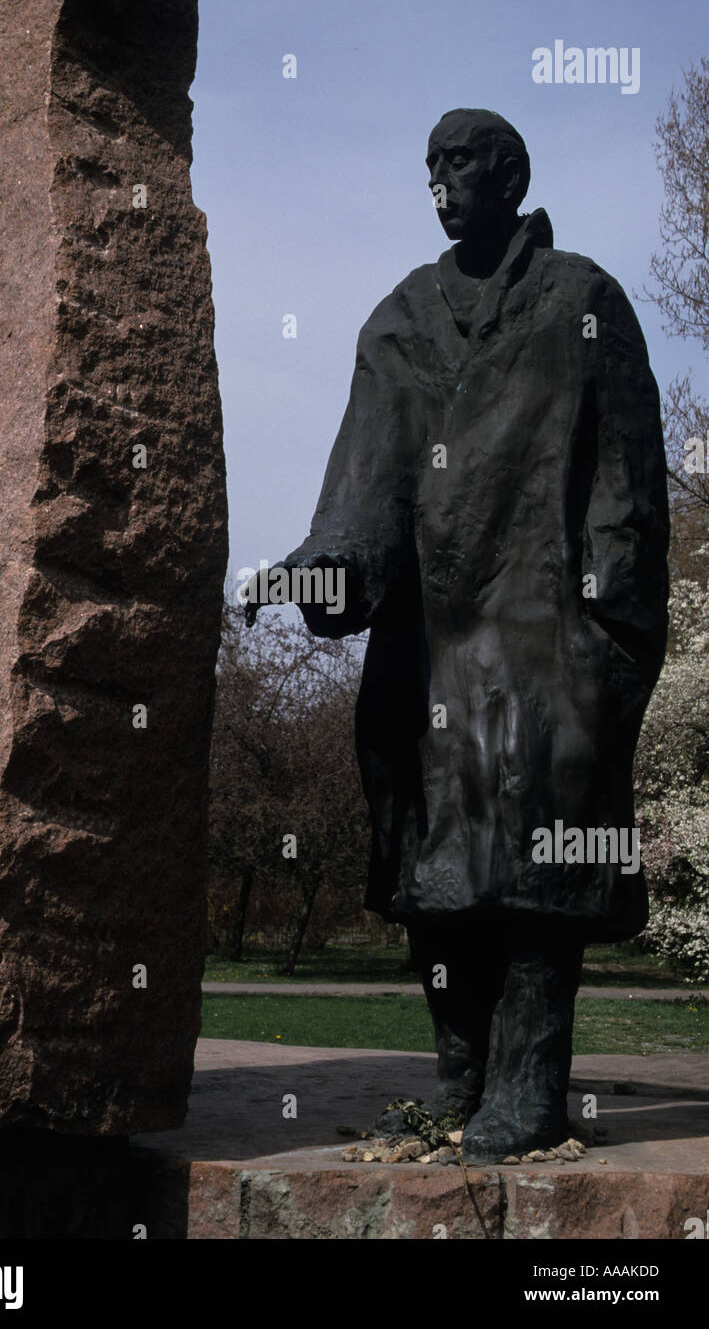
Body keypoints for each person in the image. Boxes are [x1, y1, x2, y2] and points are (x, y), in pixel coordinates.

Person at [246, 109, 669, 1162]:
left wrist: (611, 624)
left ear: (513, 175)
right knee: (436, 871)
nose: (441, 183)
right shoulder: (398, 324)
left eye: (462, 164)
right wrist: (319, 564)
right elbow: (361, 498)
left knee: (534, 875)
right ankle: (466, 1081)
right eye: (430, 167)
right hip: (428, 637)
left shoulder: (581, 301)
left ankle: (527, 1087)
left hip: (544, 628)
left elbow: (627, 484)